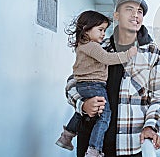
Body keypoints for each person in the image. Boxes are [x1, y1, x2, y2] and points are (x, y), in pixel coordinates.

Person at [65, 0, 160, 157]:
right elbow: (73, 82)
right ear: (116, 15)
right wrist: (83, 104)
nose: (135, 15)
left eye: (140, 12)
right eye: (129, 9)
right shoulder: (98, 47)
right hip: (91, 143)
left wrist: (151, 126)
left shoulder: (154, 54)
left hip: (129, 144)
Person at [56, 10, 138, 157]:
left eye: (105, 30)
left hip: (85, 85)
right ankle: (94, 149)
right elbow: (107, 58)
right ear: (86, 29)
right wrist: (127, 55)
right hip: (93, 84)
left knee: (81, 112)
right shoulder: (94, 46)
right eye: (100, 30)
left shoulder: (83, 45)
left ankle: (66, 136)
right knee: (105, 115)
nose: (103, 34)